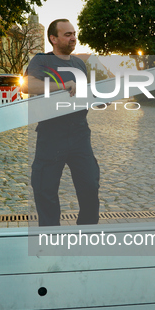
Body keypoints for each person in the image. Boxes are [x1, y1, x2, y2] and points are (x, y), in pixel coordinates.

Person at [23, 19, 100, 227]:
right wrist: (63, 85)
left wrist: (98, 100)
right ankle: (50, 239)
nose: (73, 37)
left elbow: (82, 96)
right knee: (45, 190)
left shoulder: (79, 64)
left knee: (90, 185)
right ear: (53, 39)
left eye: (74, 33)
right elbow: (28, 86)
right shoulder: (41, 61)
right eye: (67, 34)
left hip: (79, 134)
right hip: (51, 135)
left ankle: (87, 235)